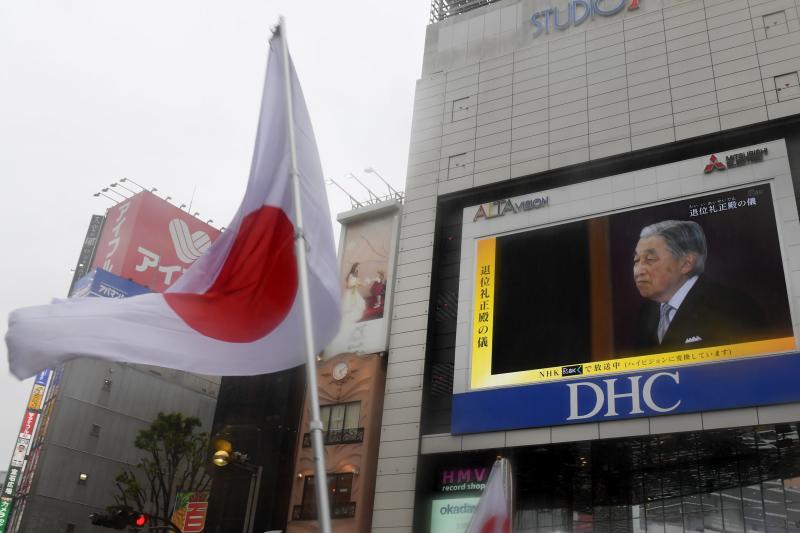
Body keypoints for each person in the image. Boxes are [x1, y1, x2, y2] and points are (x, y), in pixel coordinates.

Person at [633, 220, 765, 352]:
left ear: (686, 263)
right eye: (636, 260)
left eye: (650, 259)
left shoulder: (733, 306)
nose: (638, 271)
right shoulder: (647, 313)